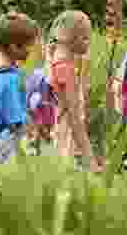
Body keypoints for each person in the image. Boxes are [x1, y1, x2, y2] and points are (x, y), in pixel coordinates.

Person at [45, 10, 102, 172]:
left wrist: (82, 74)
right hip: (67, 140)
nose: (88, 43)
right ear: (70, 38)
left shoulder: (56, 62)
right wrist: (92, 162)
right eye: (85, 38)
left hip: (59, 135)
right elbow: (75, 119)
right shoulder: (66, 70)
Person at [0, 11, 39, 165]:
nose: (30, 51)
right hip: (3, 149)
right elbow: (17, 124)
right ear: (14, 47)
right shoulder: (9, 79)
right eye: (29, 46)